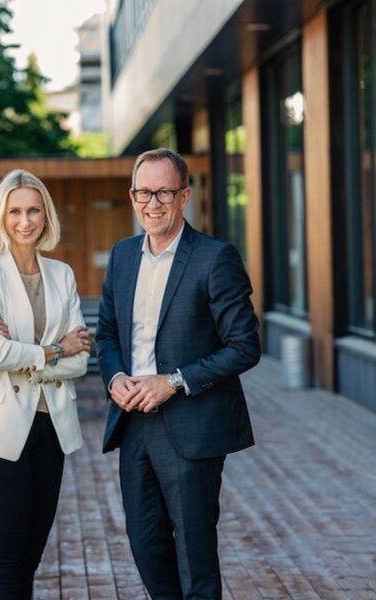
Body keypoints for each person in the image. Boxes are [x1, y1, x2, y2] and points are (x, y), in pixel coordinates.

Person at [95, 148, 261, 599]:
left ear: (184, 195)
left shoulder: (214, 257)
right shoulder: (123, 256)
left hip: (192, 425)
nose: (153, 203)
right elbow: (107, 334)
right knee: (145, 544)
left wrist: (172, 381)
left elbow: (245, 347)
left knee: (194, 555)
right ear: (132, 196)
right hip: (134, 424)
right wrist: (115, 380)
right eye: (143, 192)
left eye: (164, 191)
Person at [0, 169, 92, 599]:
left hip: (50, 429)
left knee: (30, 558)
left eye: (34, 210)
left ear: (46, 215)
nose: (25, 220)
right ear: (0, 216)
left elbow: (83, 359)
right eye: (15, 211)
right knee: (3, 561)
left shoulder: (61, 274)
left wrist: (28, 353)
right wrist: (54, 351)